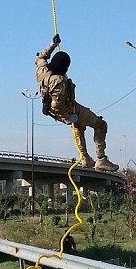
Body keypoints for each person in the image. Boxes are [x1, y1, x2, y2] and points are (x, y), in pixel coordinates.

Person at [35, 34, 118, 172]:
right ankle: (101, 158)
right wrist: (70, 117)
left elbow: (40, 58)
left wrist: (52, 45)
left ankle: (85, 158)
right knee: (100, 125)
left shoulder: (42, 70)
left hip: (58, 108)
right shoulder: (58, 81)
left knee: (79, 127)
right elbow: (58, 105)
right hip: (65, 110)